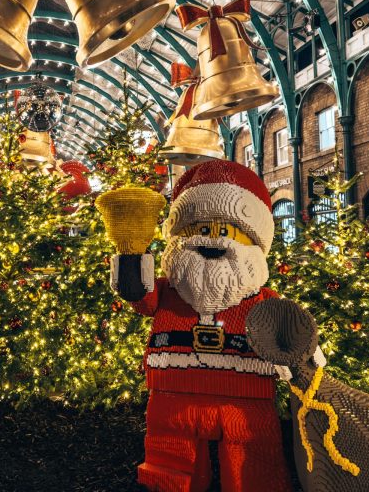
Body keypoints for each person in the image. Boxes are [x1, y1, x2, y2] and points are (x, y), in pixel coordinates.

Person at [108, 160, 296, 492]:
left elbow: (287, 330)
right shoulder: (169, 289)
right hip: (174, 389)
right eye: (199, 230)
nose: (211, 241)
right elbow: (139, 295)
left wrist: (300, 360)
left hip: (244, 395)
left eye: (224, 231)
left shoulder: (261, 298)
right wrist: (130, 254)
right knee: (171, 454)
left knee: (252, 457)